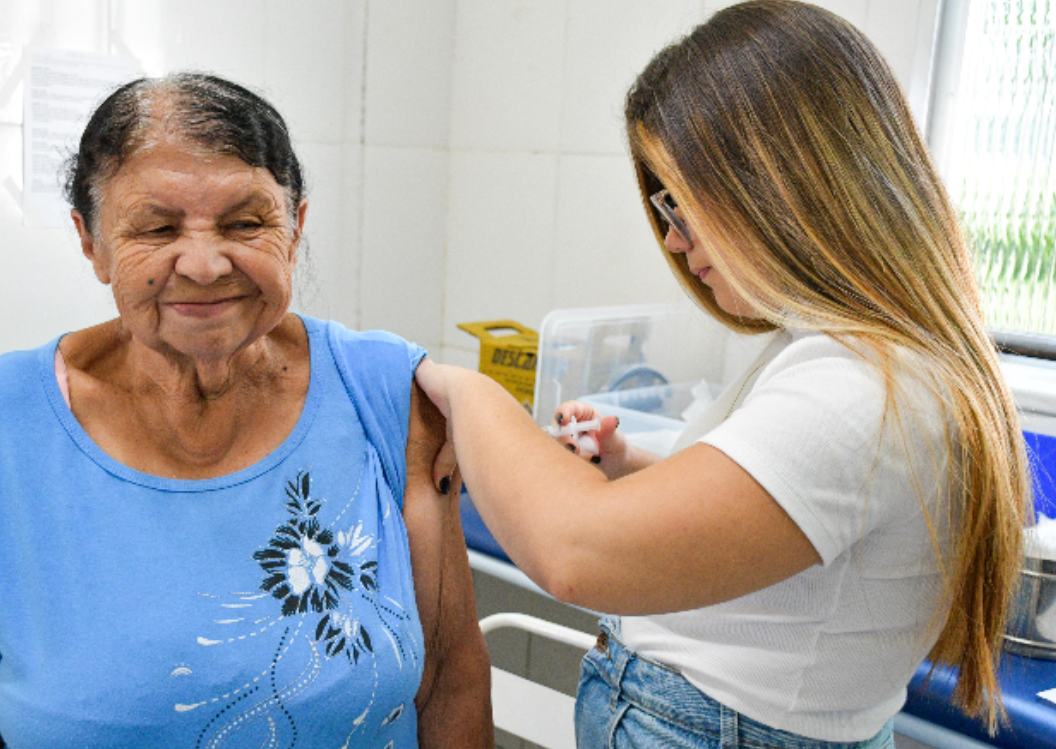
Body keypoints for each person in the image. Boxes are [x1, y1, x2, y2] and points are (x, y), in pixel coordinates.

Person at [415, 2, 1031, 748]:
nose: (673, 241)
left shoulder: (861, 388)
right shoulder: (866, 358)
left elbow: (577, 554)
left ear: (779, 179)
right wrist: (630, 467)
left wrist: (463, 389)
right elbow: (791, 520)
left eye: (681, 204)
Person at [0, 73, 492, 749]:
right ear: (91, 242)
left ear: (294, 228)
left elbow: (448, 677)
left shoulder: (386, 394)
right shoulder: (1, 422)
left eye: (245, 222)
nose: (205, 264)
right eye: (157, 226)